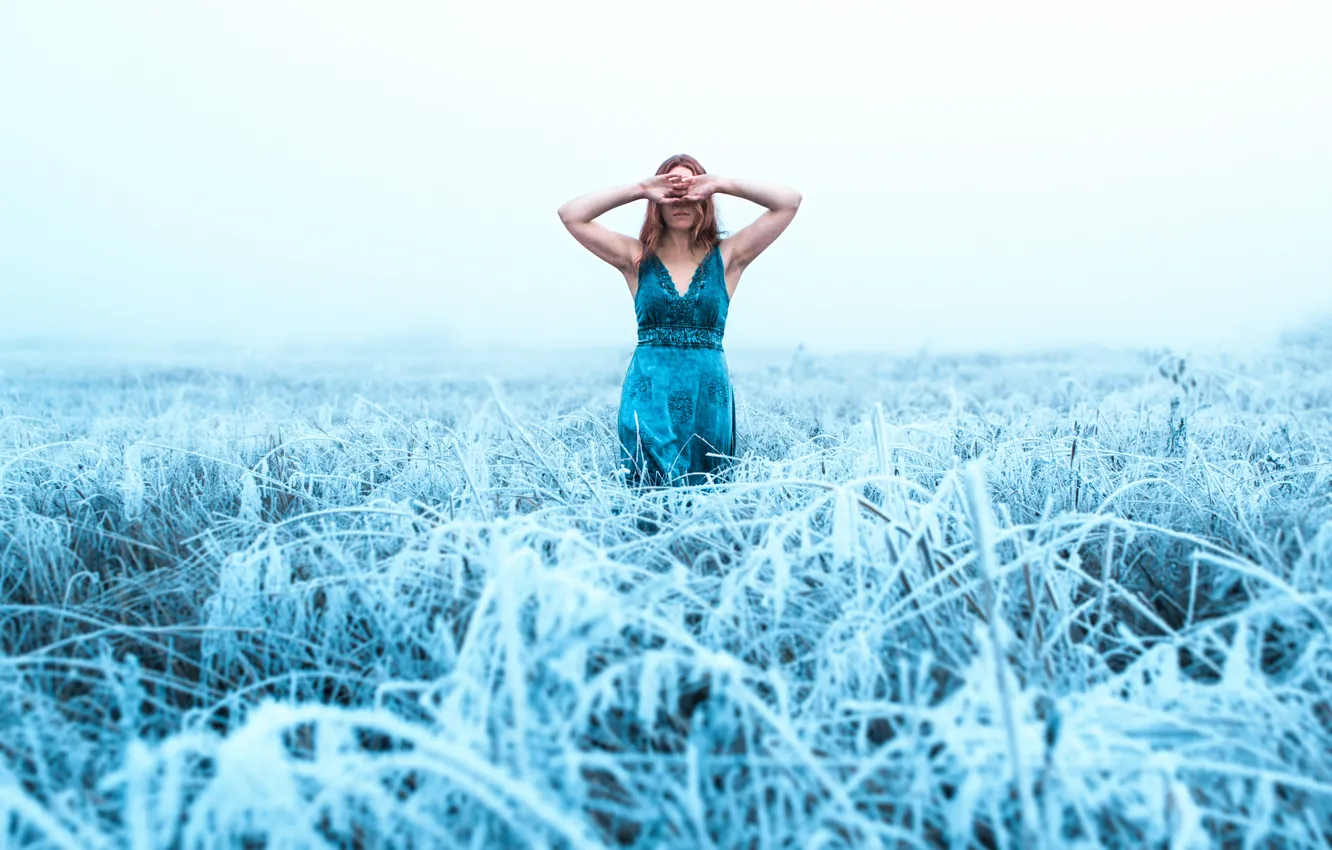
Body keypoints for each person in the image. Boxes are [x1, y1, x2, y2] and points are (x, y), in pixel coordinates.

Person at [558, 154, 801, 489]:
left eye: (691, 192)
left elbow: (788, 203)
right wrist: (642, 188)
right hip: (649, 395)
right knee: (648, 491)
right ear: (658, 202)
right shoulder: (635, 257)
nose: (682, 201)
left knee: (708, 493)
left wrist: (718, 183)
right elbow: (571, 215)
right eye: (672, 193)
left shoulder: (728, 257)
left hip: (708, 397)